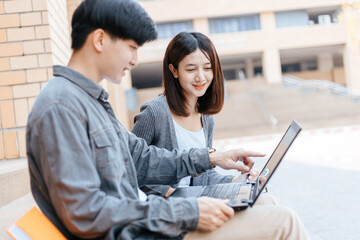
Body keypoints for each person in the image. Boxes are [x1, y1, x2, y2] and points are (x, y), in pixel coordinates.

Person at [26, 0, 309, 239]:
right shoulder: (61, 105)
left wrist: (212, 158)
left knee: (265, 202)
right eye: (131, 46)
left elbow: (144, 159)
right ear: (100, 40)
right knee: (285, 220)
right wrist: (188, 211)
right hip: (142, 232)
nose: (135, 59)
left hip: (149, 224)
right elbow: (84, 211)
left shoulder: (91, 102)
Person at [132, 32, 259, 198]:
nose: (201, 77)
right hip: (166, 210)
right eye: (191, 69)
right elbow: (131, 167)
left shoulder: (206, 118)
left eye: (207, 68)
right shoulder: (154, 113)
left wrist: (237, 180)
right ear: (174, 70)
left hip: (194, 202)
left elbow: (204, 176)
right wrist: (173, 195)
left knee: (263, 198)